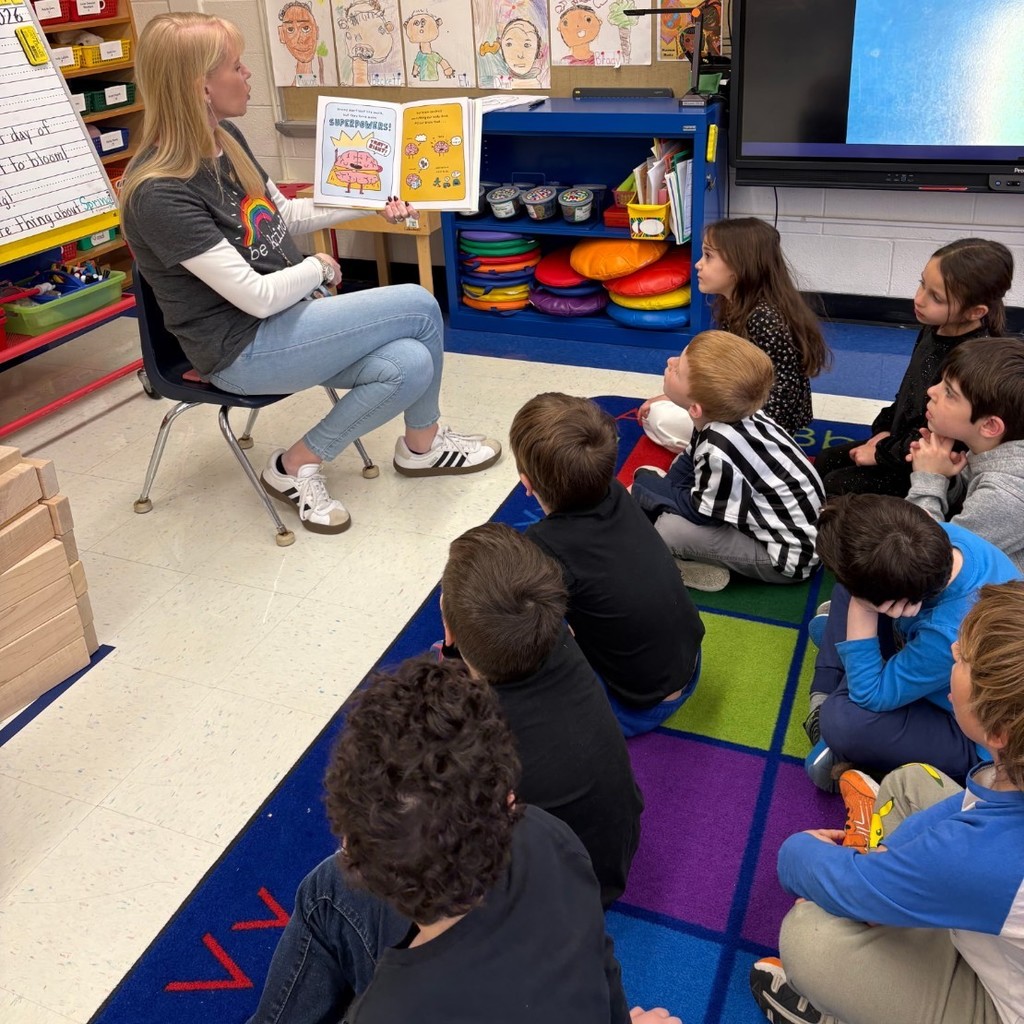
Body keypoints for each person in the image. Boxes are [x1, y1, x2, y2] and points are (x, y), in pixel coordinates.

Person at [120, 13, 499, 538]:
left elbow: (285, 217)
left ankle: (297, 462)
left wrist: (370, 202)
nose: (248, 75)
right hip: (239, 350)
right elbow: (254, 297)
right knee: (417, 303)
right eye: (236, 66)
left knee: (410, 362)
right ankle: (424, 444)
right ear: (199, 87)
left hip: (290, 323)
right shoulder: (159, 192)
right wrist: (315, 267)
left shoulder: (224, 138)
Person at [245, 656, 682, 1024]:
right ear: (509, 800)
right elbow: (603, 970)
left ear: (359, 861)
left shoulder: (386, 1011)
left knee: (325, 893)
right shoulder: (552, 837)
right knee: (329, 888)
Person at [750, 580, 1024, 1024]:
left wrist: (799, 851)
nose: (953, 649)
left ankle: (841, 1011)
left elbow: (811, 872)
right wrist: (878, 868)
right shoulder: (1010, 773)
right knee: (912, 782)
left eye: (966, 658)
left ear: (999, 734)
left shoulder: (987, 855)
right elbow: (970, 815)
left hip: (997, 1002)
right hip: (986, 922)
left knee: (809, 937)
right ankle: (889, 881)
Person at [439, 521, 644, 906]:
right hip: (618, 849)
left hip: (560, 897)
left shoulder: (468, 736)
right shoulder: (561, 642)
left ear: (448, 630)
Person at [509, 393, 705, 736]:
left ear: (526, 484)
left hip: (635, 705)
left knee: (525, 635)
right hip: (691, 665)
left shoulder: (542, 547)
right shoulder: (616, 492)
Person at [804, 493, 1020, 792]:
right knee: (856, 578)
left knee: (843, 720)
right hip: (935, 658)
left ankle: (835, 694)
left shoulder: (947, 635)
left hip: (970, 733)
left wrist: (865, 611)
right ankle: (843, 667)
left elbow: (870, 696)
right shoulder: (941, 539)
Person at [814, 237, 1013, 498]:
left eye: (936, 297)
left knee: (838, 484)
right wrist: (884, 432)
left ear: (975, 312)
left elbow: (946, 438)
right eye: (922, 284)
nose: (919, 299)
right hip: (902, 441)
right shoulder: (934, 328)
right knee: (827, 459)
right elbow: (908, 393)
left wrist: (881, 452)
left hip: (929, 459)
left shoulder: (973, 360)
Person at [631, 331, 825, 590]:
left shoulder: (719, 450)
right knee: (657, 481)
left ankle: (685, 568)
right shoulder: (735, 416)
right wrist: (662, 488)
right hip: (791, 529)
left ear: (695, 409)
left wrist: (650, 491)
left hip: (787, 560)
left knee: (668, 530)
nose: (670, 362)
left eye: (678, 369)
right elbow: (688, 460)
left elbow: (702, 514)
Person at [639, 217, 830, 448]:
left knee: (660, 419)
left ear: (739, 267)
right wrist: (679, 398)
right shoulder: (738, 305)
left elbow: (778, 402)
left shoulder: (764, 319)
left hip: (761, 426)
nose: (698, 264)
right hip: (738, 409)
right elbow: (724, 374)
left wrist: (695, 407)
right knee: (658, 411)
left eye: (708, 256)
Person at [905, 336, 1024, 572]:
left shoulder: (1005, 494)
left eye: (949, 393)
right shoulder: (994, 447)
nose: (931, 391)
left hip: (1004, 601)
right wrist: (947, 479)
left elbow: (925, 562)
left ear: (990, 426)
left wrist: (929, 479)